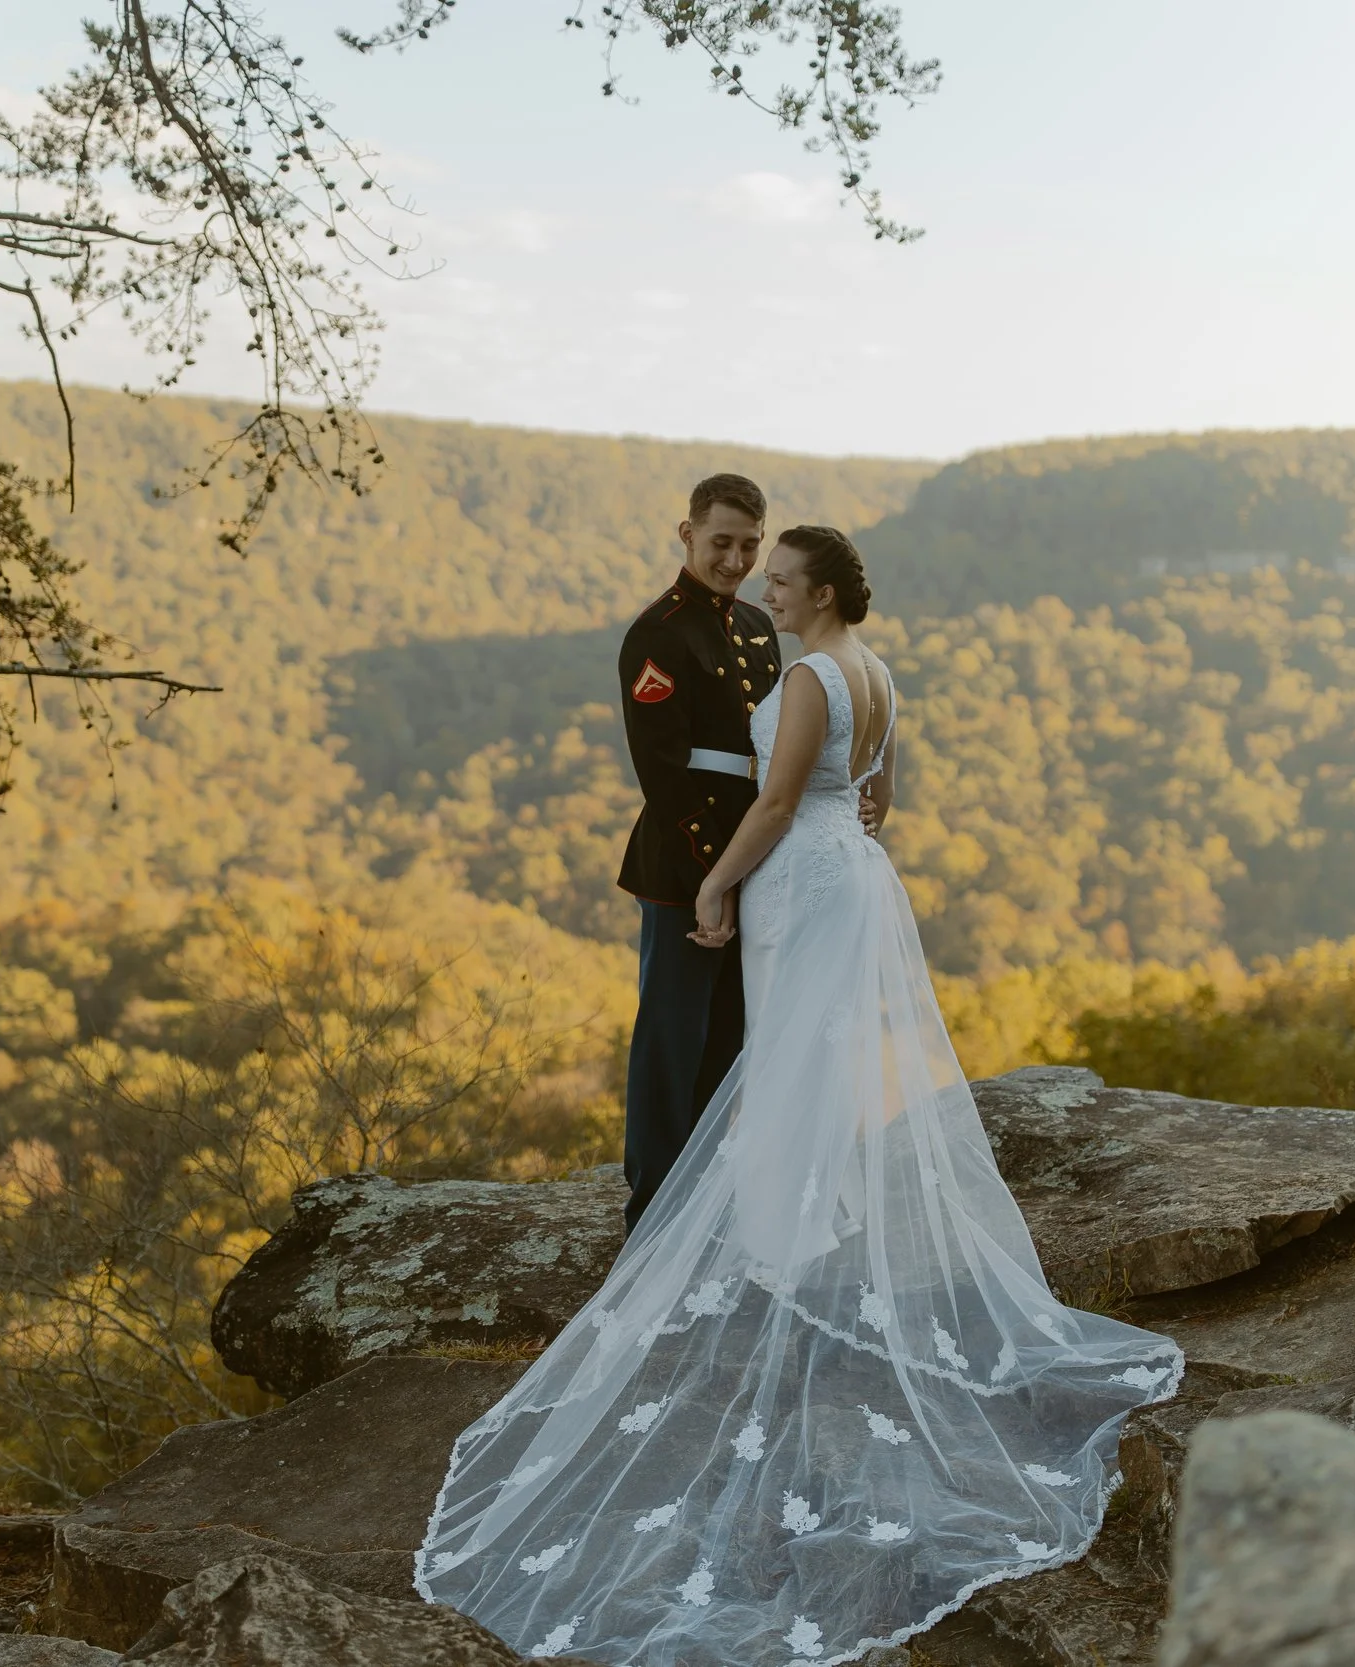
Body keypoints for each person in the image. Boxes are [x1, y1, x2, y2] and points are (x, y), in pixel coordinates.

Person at [416, 528, 1183, 1667]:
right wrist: (824, 845)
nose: (760, 589)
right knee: (814, 1057)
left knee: (787, 1056)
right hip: (848, 874)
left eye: (777, 578)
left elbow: (774, 803)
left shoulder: (815, 674)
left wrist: (717, 886)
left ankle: (781, 1227)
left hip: (791, 874)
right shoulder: (876, 673)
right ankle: (803, 1213)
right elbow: (878, 802)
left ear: (818, 591)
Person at [614, 473, 786, 1230]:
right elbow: (661, 771)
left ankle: (713, 1192)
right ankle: (654, 1206)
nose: (736, 560)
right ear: (686, 534)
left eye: (749, 545)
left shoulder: (756, 624)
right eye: (721, 542)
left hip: (754, 852)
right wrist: (714, 872)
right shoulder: (658, 632)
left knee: (730, 1035)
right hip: (686, 858)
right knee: (671, 1037)